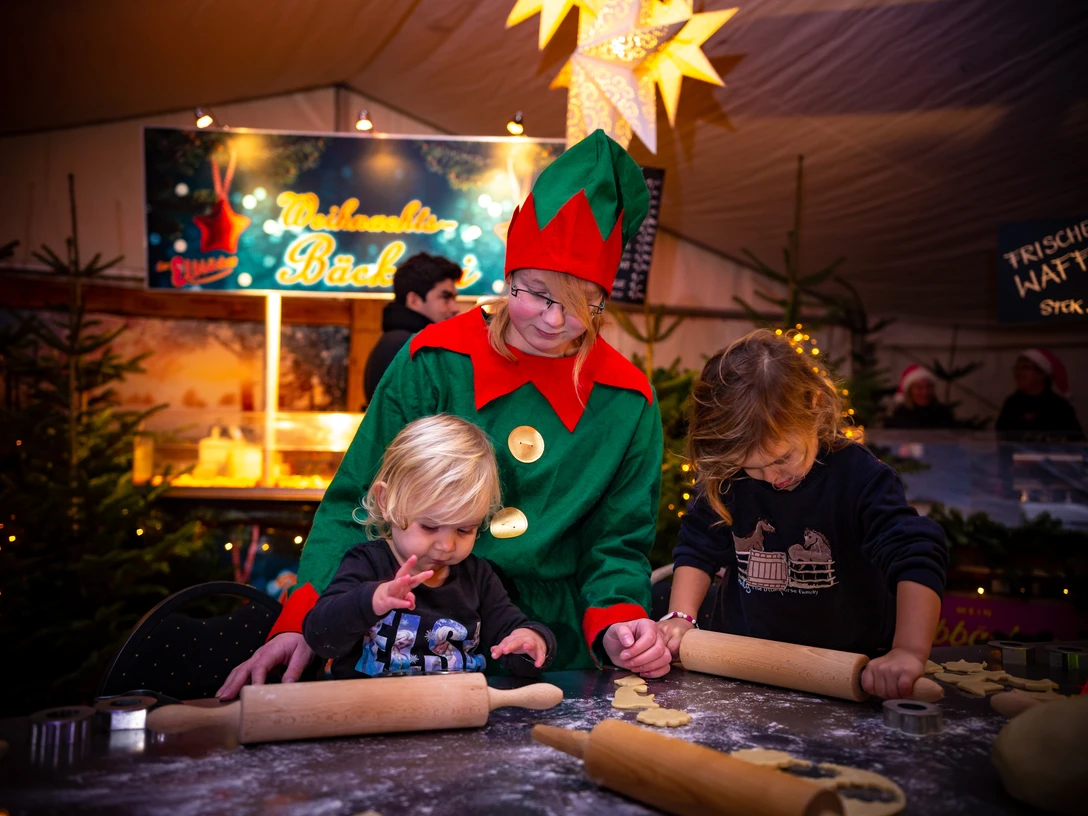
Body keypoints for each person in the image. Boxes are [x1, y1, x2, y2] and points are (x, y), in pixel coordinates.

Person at [218, 129, 670, 700]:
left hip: (553, 657)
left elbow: (618, 541)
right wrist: (302, 617)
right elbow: (356, 499)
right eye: (537, 294)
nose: (556, 322)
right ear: (509, 277)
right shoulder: (433, 360)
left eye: (583, 306)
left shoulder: (626, 399)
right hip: (412, 640)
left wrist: (618, 624)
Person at [658, 329, 948, 700]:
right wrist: (682, 619)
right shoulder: (729, 479)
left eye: (783, 458)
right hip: (744, 667)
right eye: (754, 467)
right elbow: (698, 548)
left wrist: (908, 651)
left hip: (850, 673)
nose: (773, 478)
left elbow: (916, 554)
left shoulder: (859, 477)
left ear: (812, 406)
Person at [303, 415, 556, 679]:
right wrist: (373, 600)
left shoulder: (478, 578)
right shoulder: (367, 564)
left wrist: (531, 642)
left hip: (459, 712)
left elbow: (513, 640)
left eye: (464, 530)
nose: (446, 546)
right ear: (387, 501)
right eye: (430, 527)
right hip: (372, 713)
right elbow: (320, 637)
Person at [363, 252, 462, 405]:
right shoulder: (408, 346)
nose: (455, 308)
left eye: (454, 298)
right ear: (414, 300)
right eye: (445, 297)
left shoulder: (398, 340)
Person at [995, 348, 1083, 441]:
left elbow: (1075, 439)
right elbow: (1001, 436)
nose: (1018, 373)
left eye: (1025, 368)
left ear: (1042, 374)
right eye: (1017, 368)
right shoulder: (1012, 403)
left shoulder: (1059, 406)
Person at [884, 364, 956, 429]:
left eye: (928, 387)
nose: (925, 392)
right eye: (919, 388)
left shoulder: (943, 413)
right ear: (910, 391)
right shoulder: (900, 415)